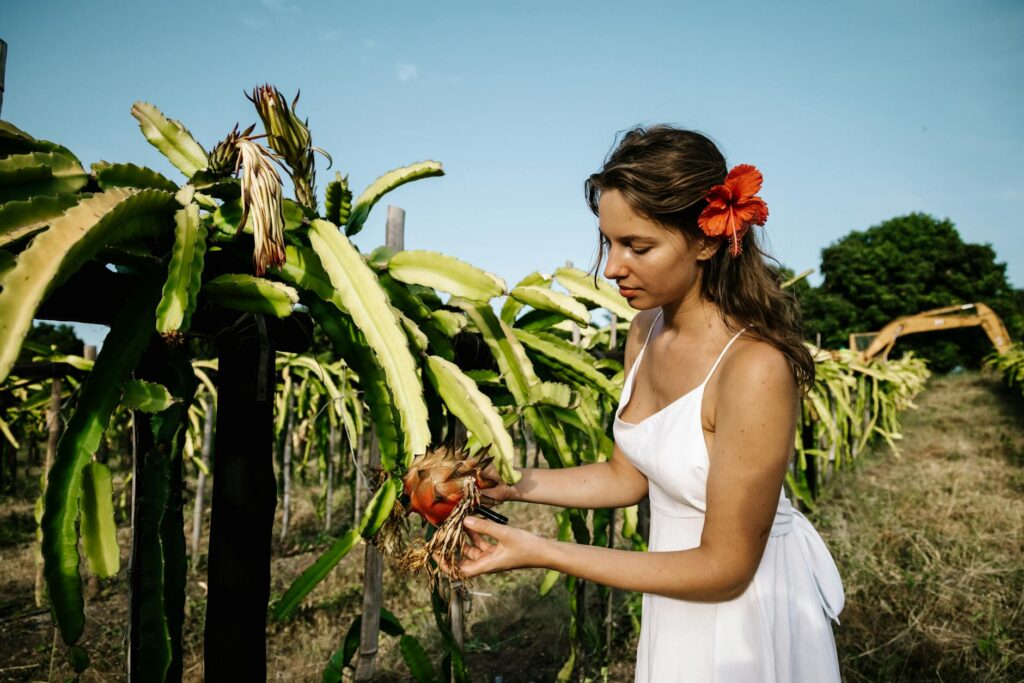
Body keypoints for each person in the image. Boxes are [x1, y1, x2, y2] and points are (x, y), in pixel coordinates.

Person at [457, 126, 844, 682]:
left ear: (707, 241)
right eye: (608, 243)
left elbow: (726, 569)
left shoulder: (753, 368)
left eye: (638, 246)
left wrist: (541, 550)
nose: (613, 268)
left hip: (743, 613)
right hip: (674, 590)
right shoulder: (646, 330)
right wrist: (512, 485)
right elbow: (628, 476)